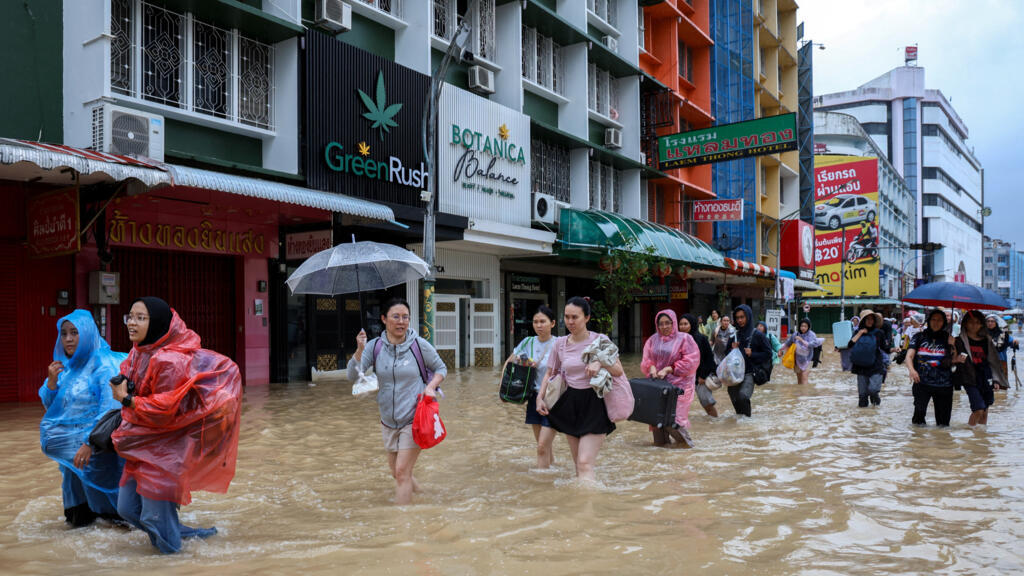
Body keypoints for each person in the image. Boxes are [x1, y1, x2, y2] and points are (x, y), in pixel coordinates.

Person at [112, 297, 242, 553]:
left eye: (141, 317)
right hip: (141, 444)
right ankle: (184, 535)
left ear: (157, 323)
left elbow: (164, 410)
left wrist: (127, 399)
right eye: (130, 316)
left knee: (153, 517)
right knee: (127, 509)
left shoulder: (170, 360)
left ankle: (174, 559)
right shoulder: (138, 351)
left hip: (166, 450)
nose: (132, 323)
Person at [349, 298, 447, 504]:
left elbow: (441, 368)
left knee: (402, 472)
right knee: (397, 472)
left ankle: (403, 525)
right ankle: (428, 498)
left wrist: (430, 387)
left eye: (405, 317)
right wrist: (359, 350)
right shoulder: (374, 347)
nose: (401, 322)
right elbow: (353, 376)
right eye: (396, 317)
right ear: (384, 319)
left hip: (414, 418)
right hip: (388, 420)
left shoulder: (419, 345)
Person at [39, 310, 126, 527]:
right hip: (71, 456)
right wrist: (51, 384)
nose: (68, 339)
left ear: (87, 334)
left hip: (97, 450)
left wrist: (89, 442)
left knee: (112, 522)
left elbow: (111, 409)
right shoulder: (67, 369)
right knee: (78, 522)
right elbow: (54, 410)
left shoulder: (103, 365)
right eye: (64, 333)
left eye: (74, 333)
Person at [537, 297, 621, 483]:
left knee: (584, 463)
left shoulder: (601, 340)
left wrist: (600, 363)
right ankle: (579, 506)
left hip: (595, 403)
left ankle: (589, 506)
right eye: (567, 317)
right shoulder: (560, 343)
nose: (570, 322)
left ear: (587, 318)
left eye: (575, 317)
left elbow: (618, 371)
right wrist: (540, 398)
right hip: (571, 403)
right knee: (578, 463)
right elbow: (549, 373)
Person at [502, 305, 558, 469]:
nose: (539, 325)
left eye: (543, 321)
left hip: (552, 398)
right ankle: (552, 472)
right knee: (544, 446)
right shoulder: (527, 342)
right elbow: (510, 362)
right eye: (535, 322)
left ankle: (541, 484)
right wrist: (503, 391)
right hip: (533, 397)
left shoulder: (559, 344)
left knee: (541, 447)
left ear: (552, 323)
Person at [640, 309, 700, 447]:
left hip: (680, 386)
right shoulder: (652, 340)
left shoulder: (685, 339)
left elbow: (692, 361)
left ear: (674, 323)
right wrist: (652, 367)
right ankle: (662, 457)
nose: (664, 326)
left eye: (668, 323)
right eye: (661, 324)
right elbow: (646, 359)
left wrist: (669, 369)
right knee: (656, 419)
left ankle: (688, 448)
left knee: (673, 420)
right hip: (657, 386)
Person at [955, 311, 1008, 426]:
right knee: (978, 408)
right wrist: (951, 344)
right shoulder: (958, 341)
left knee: (985, 409)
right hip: (969, 378)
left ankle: (980, 436)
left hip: (986, 377)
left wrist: (996, 380)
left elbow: (993, 361)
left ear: (981, 325)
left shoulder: (986, 340)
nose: (974, 325)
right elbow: (952, 358)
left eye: (977, 322)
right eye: (971, 322)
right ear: (965, 324)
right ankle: (969, 433)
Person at [906, 309, 955, 426]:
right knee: (919, 416)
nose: (936, 322)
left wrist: (953, 344)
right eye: (933, 319)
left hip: (944, 383)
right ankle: (918, 442)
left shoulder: (948, 338)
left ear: (944, 322)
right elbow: (909, 356)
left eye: (939, 320)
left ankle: (941, 443)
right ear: (928, 321)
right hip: (922, 381)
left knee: (943, 423)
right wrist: (912, 370)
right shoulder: (919, 337)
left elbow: (955, 360)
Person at [726, 305, 771, 417]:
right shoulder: (734, 335)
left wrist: (752, 354)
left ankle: (747, 422)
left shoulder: (758, 335)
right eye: (737, 318)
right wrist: (732, 349)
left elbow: (768, 354)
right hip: (734, 374)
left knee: (743, 397)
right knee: (736, 399)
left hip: (749, 373)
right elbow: (726, 354)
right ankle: (741, 427)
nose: (740, 320)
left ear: (749, 317)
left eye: (742, 317)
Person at [680, 313, 718, 418]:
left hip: (700, 378)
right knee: (680, 405)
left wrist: (703, 376)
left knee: (707, 404)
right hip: (685, 379)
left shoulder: (701, 339)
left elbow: (709, 358)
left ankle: (716, 424)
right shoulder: (679, 340)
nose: (682, 327)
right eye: (681, 324)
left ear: (691, 324)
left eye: (685, 324)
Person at [849, 309, 888, 407]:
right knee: (862, 396)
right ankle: (864, 418)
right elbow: (850, 344)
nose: (870, 321)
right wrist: (860, 333)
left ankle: (876, 410)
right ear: (863, 321)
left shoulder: (879, 333)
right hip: (860, 367)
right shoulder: (857, 332)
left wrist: (894, 349)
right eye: (868, 319)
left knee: (873, 390)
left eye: (872, 319)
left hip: (876, 366)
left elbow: (885, 348)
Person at [780, 318, 823, 386]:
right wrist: (780, 350)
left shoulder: (812, 335)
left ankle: (805, 395)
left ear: (808, 327)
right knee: (799, 380)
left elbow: (812, 345)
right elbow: (787, 343)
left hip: (808, 359)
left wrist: (802, 340)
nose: (803, 328)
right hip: (797, 359)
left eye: (805, 326)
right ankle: (800, 394)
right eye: (801, 326)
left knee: (804, 377)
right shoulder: (795, 334)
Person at [986, 314, 1017, 389]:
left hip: (1001, 362)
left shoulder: (1004, 335)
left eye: (992, 321)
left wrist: (1015, 342)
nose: (990, 323)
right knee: (987, 385)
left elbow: (1012, 343)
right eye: (988, 321)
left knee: (1002, 387)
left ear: (996, 323)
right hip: (987, 362)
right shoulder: (983, 334)